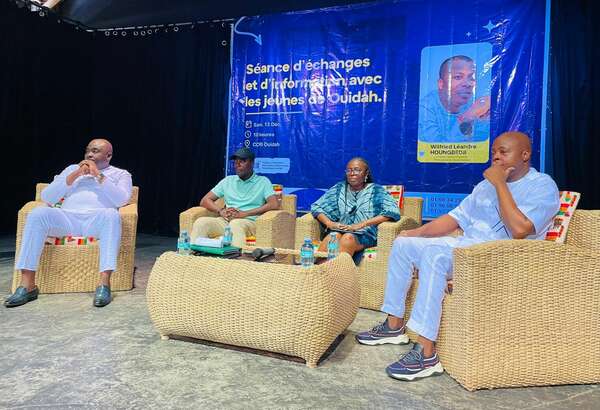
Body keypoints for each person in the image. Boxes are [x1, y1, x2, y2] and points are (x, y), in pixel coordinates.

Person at [356, 131, 559, 381]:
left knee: (435, 255)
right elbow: (455, 219)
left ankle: (426, 354)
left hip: (502, 256)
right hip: (467, 247)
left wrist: (500, 184)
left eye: (503, 152)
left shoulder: (542, 185)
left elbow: (520, 229)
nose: (496, 157)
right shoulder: (484, 186)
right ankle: (394, 325)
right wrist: (414, 233)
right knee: (403, 244)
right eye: (493, 152)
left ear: (525, 155)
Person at [5, 139, 132, 308]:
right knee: (38, 214)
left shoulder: (120, 174)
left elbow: (122, 200)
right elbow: (47, 197)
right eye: (88, 150)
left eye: (95, 151)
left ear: (108, 155)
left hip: (96, 221)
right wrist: (75, 174)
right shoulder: (72, 169)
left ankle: (104, 284)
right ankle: (27, 286)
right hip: (67, 219)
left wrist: (97, 175)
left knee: (112, 215)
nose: (89, 154)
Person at [311, 157, 400, 261]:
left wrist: (362, 224)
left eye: (357, 170)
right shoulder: (339, 188)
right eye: (349, 170)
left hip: (365, 233)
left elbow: (392, 211)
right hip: (340, 229)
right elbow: (317, 207)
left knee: (348, 238)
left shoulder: (376, 191)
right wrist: (329, 223)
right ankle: (318, 269)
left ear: (366, 173)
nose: (352, 173)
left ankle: (338, 270)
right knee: (332, 237)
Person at [192, 147, 279, 248]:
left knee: (236, 224)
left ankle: (237, 257)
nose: (237, 164)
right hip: (226, 221)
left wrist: (245, 213)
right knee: (201, 222)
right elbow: (205, 200)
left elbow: (274, 204)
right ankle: (191, 255)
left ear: (252, 163)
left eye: (242, 161)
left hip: (249, 221)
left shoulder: (263, 181)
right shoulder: (228, 181)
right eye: (236, 162)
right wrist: (221, 211)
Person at [418, 55, 490, 143]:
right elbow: (437, 148)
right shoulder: (425, 108)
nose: (467, 84)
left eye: (471, 78)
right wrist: (467, 117)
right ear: (441, 84)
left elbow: (480, 141)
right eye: (458, 77)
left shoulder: (475, 104)